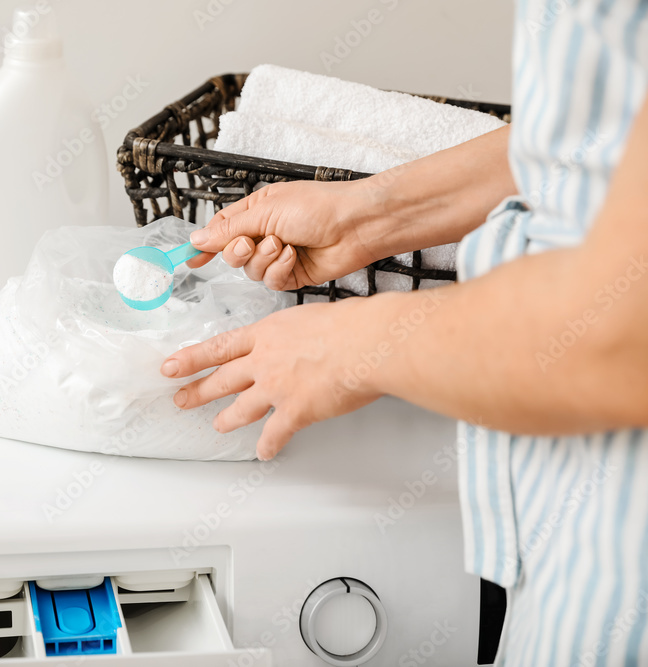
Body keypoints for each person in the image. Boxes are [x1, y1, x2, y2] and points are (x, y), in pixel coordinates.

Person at [161, 1, 648, 664]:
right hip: (569, 530)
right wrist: (367, 216)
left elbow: (622, 336)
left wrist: (349, 346)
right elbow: (598, 133)